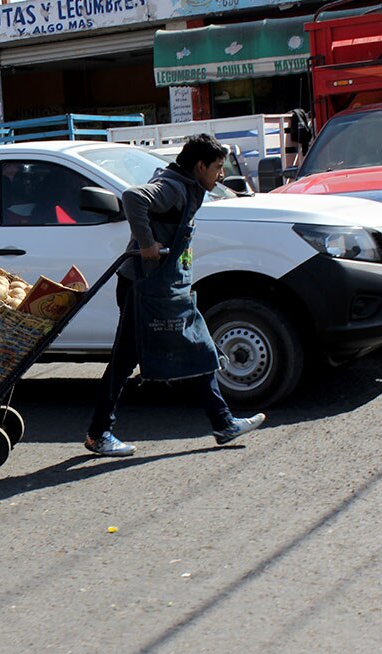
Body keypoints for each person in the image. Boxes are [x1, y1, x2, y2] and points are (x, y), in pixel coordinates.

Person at [84, 134, 266, 457]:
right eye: (217, 168)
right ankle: (98, 434)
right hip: (144, 290)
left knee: (196, 347)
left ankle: (223, 423)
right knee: (128, 360)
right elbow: (132, 198)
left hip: (161, 290)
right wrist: (146, 244)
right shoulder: (173, 188)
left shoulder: (185, 185)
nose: (220, 175)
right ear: (199, 166)